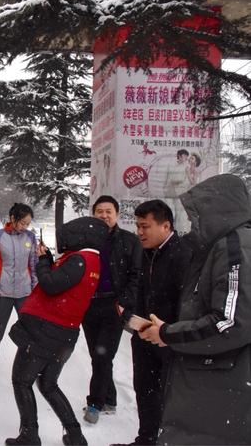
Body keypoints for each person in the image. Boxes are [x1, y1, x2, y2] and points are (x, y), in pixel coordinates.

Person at [139, 174, 251, 446]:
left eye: (196, 215)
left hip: (220, 386)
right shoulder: (220, 246)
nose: (192, 224)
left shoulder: (234, 246)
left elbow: (229, 323)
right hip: (213, 385)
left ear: (217, 210)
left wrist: (167, 333)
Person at [6, 217, 108, 446]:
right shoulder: (92, 260)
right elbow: (64, 283)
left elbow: (51, 285)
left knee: (21, 381)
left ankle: (29, 435)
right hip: (64, 332)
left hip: (45, 331)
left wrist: (43, 261)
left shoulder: (80, 259)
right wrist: (51, 260)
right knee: (48, 383)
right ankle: (74, 435)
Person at [110, 200, 190, 446]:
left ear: (166, 226)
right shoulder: (144, 252)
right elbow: (138, 288)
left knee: (170, 397)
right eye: (137, 226)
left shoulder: (184, 254)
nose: (139, 232)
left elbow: (187, 302)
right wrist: (129, 312)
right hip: (143, 335)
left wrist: (170, 332)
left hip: (170, 340)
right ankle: (145, 440)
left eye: (145, 226)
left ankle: (166, 441)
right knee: (144, 391)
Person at [82, 196, 142, 424]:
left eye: (108, 211)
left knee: (102, 356)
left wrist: (124, 302)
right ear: (94, 214)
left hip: (113, 307)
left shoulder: (129, 241)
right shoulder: (86, 241)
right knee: (97, 357)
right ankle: (110, 400)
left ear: (116, 214)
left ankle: (95, 403)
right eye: (99, 211)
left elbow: (137, 276)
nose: (104, 215)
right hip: (89, 306)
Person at [0, 203, 38, 386]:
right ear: (12, 218)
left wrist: (36, 288)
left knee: (30, 333)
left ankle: (29, 371)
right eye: (22, 222)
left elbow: (34, 264)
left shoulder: (30, 237)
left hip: (25, 293)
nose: (25, 227)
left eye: (28, 224)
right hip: (2, 293)